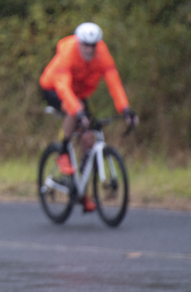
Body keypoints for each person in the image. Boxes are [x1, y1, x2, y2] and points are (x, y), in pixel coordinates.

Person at [39, 22, 138, 212]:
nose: (89, 49)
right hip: (54, 88)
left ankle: (81, 191)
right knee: (74, 111)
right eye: (85, 45)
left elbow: (114, 83)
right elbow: (63, 88)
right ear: (79, 42)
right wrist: (78, 111)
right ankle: (63, 152)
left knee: (88, 139)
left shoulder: (102, 55)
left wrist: (125, 109)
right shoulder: (68, 53)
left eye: (93, 46)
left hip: (78, 93)